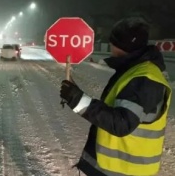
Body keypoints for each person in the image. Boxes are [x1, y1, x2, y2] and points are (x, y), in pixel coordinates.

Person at [60, 17, 172, 176]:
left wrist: (78, 100)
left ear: (122, 45)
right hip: (114, 166)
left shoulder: (144, 79)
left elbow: (122, 123)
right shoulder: (136, 71)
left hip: (125, 169)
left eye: (113, 42)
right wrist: (76, 93)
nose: (110, 45)